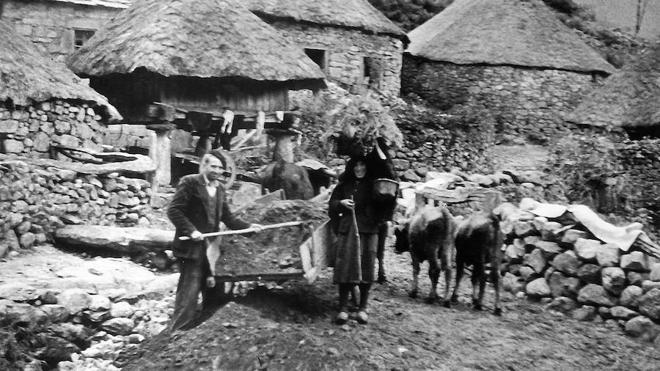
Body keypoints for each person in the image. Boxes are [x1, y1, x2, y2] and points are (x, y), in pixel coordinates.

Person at [167, 150, 262, 331]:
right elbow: (174, 211)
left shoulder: (219, 189)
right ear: (204, 165)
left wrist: (249, 228)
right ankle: (177, 333)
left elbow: (228, 218)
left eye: (220, 168)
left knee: (216, 291)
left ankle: (204, 332)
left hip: (211, 250)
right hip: (191, 249)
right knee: (189, 293)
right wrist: (192, 230)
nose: (217, 171)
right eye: (213, 166)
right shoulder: (190, 183)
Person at [328, 156, 384, 324]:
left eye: (362, 165)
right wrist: (341, 203)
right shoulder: (344, 184)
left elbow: (385, 205)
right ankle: (343, 308)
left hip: (368, 230)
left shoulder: (375, 184)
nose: (359, 169)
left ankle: (363, 308)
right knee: (345, 266)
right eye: (356, 165)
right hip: (348, 229)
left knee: (367, 266)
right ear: (351, 168)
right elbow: (331, 204)